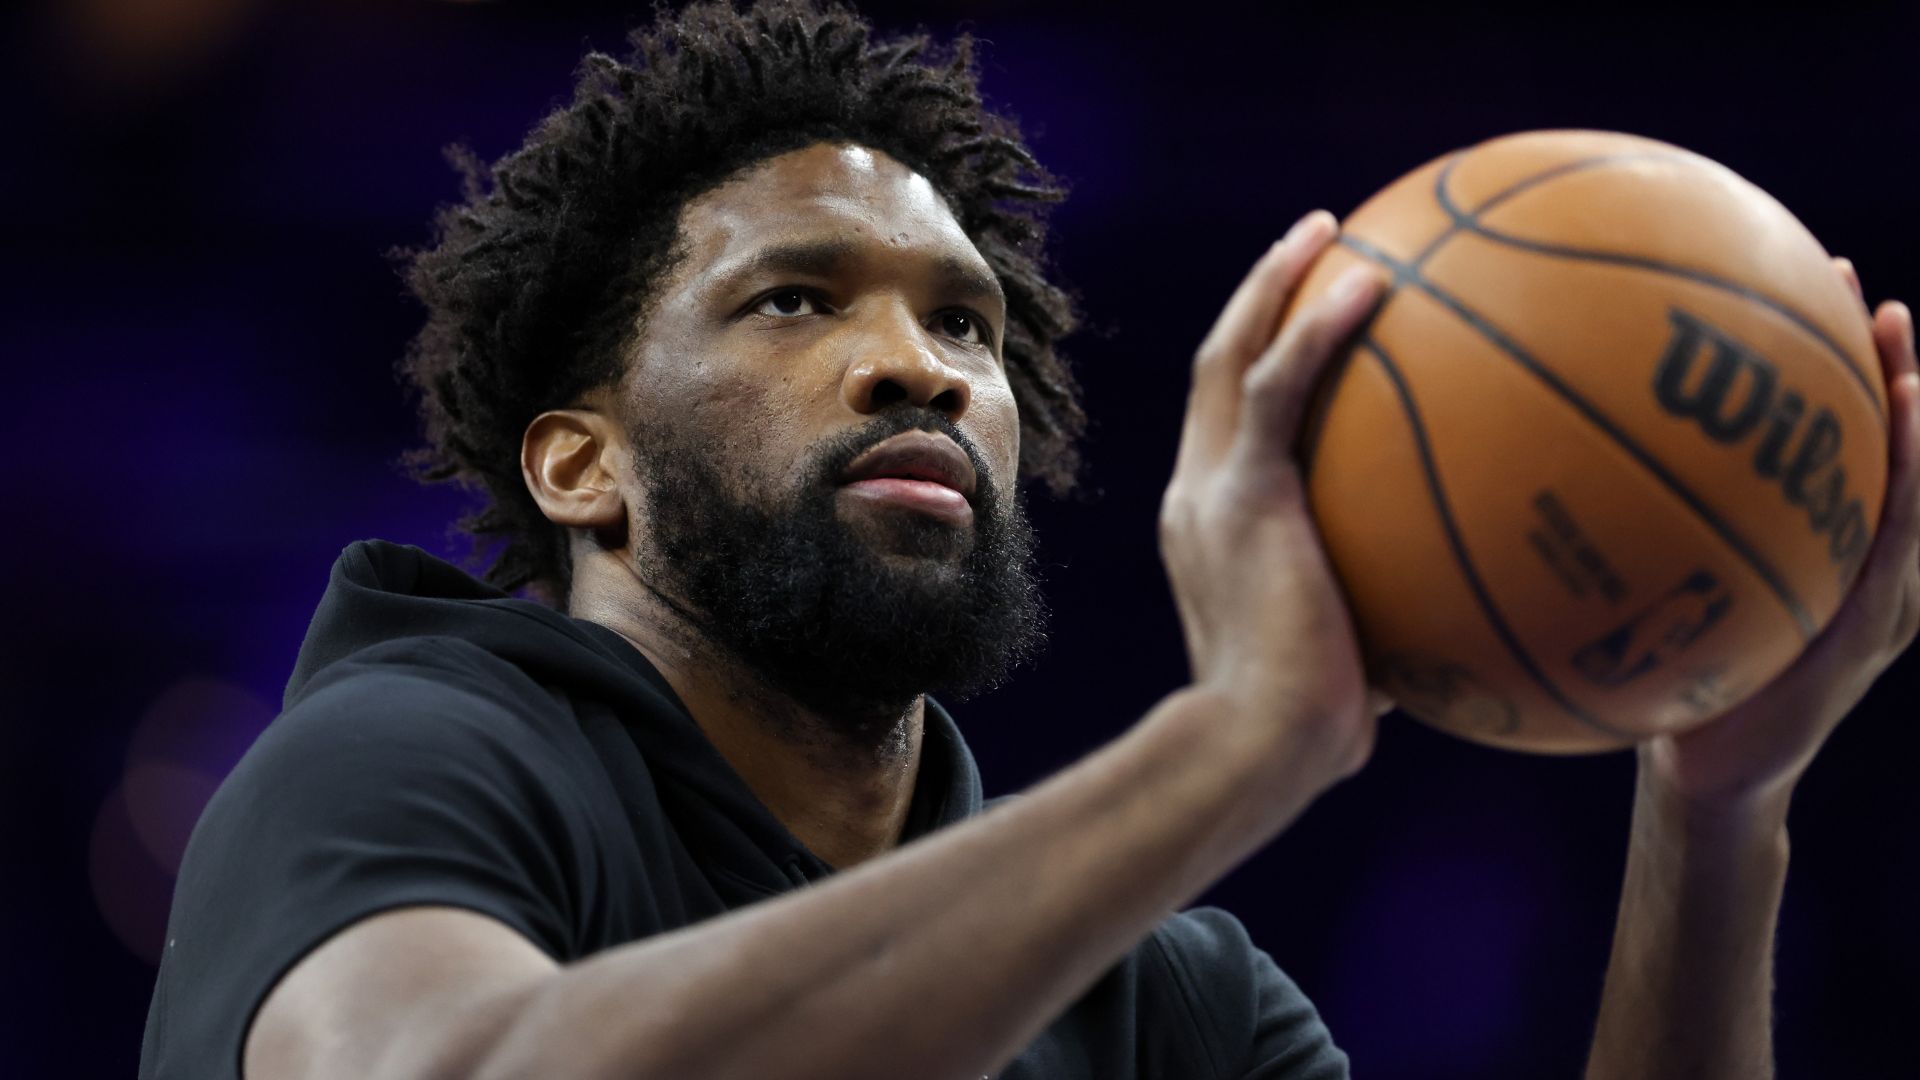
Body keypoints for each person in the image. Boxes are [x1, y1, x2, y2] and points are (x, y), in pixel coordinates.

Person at [139, 2, 1920, 1078]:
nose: (918, 361)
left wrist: (1720, 800)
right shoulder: (399, 765)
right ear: (580, 466)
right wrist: (1237, 746)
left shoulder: (1166, 1002)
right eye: (791, 301)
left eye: (970, 327)